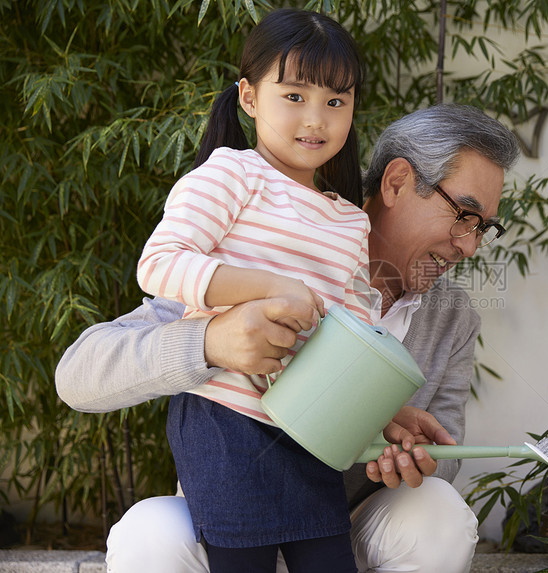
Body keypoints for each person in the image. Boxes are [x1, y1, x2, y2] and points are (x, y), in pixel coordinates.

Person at [56, 104, 521, 572]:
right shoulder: (272, 243)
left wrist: (409, 459)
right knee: (147, 533)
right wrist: (209, 342)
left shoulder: (453, 316)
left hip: (341, 534)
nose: (469, 246)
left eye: (483, 228)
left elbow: (446, 448)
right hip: (227, 522)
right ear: (397, 181)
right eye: (464, 215)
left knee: (438, 513)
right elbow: (78, 375)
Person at [132, 8, 373, 572]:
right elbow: (159, 264)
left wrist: (384, 411)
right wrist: (272, 286)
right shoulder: (230, 175)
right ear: (248, 97)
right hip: (226, 418)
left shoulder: (350, 221)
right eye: (294, 96)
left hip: (310, 430)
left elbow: (356, 329)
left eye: (336, 102)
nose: (316, 119)